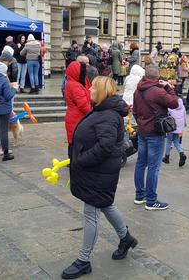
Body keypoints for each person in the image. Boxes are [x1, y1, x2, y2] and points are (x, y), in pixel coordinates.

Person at [61, 76, 137, 279]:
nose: (89, 90)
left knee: (91, 212)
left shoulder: (108, 115)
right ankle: (126, 238)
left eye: (93, 87)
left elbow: (105, 146)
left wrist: (82, 160)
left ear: (102, 91)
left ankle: (83, 261)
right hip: (98, 171)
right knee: (106, 205)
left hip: (99, 172)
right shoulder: (102, 110)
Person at [132, 65, 179, 210]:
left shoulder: (137, 91)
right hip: (155, 133)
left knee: (141, 163)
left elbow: (135, 111)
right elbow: (175, 103)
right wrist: (168, 87)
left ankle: (140, 195)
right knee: (153, 167)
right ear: (157, 77)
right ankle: (151, 201)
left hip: (142, 132)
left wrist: (141, 122)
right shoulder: (158, 91)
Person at [64, 61, 92, 151]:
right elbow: (83, 105)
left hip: (73, 116)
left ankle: (72, 160)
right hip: (78, 118)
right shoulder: (76, 86)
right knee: (77, 142)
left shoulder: (70, 83)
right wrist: (92, 113)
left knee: (72, 141)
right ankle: (74, 161)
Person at [162, 92, 187, 167]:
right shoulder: (182, 106)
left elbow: (166, 116)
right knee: (177, 142)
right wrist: (184, 125)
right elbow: (185, 116)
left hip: (171, 127)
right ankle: (181, 153)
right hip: (179, 127)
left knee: (169, 141)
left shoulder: (170, 107)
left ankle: (167, 157)